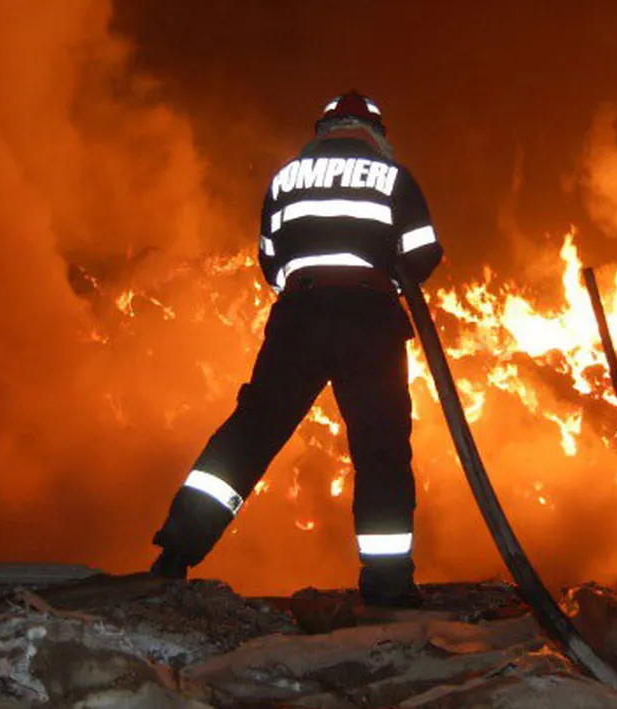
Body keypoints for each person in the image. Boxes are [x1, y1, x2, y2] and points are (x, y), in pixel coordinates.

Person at [149, 91, 443, 607]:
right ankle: (388, 585)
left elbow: (268, 262)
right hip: (369, 319)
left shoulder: (284, 178)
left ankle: (176, 551)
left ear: (323, 130)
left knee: (251, 433)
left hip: (300, 316)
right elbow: (424, 254)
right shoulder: (395, 177)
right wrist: (382, 272)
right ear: (376, 132)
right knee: (380, 451)